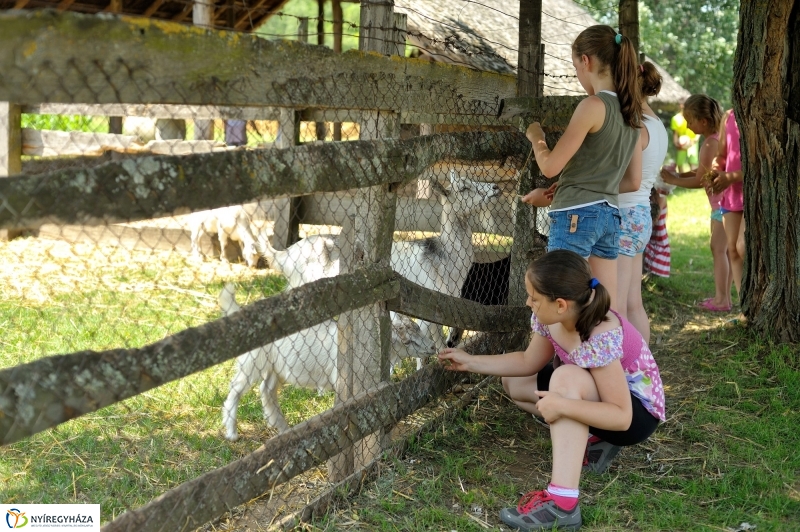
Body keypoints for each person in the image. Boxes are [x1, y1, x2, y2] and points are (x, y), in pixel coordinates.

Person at [438, 250, 665, 531]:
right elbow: (527, 361)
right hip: (605, 404)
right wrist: (469, 361)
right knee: (515, 383)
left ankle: (563, 504)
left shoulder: (599, 335)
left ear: (560, 304)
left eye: (534, 298)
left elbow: (622, 417)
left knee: (565, 379)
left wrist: (562, 405)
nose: (528, 302)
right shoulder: (554, 320)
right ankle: (592, 439)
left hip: (636, 417)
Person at [521, 25, 643, 311]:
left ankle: (553, 356)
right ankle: (607, 355)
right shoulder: (632, 114)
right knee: (604, 307)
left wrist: (536, 136)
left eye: (576, 66)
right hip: (610, 217)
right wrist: (580, 185)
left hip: (575, 215)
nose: (577, 74)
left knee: (556, 301)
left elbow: (550, 166)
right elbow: (633, 181)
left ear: (586, 61)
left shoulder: (592, 105)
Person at [661, 95, 732, 311]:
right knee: (724, 251)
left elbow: (701, 180)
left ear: (703, 120)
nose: (688, 126)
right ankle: (724, 298)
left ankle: (721, 300)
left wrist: (674, 180)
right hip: (726, 203)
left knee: (718, 249)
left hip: (722, 204)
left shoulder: (710, 143)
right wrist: (680, 175)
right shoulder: (717, 137)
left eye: (690, 121)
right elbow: (702, 171)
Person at [617, 62, 669, 342]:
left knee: (619, 305)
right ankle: (643, 369)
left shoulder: (635, 126)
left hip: (625, 214)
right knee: (634, 302)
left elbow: (631, 180)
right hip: (640, 216)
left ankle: (628, 373)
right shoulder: (657, 124)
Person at [671, 100, 699, 173]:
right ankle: (681, 180)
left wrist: (694, 141)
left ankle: (694, 180)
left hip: (693, 142)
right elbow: (675, 133)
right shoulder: (675, 118)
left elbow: (699, 131)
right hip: (682, 143)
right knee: (680, 163)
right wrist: (676, 143)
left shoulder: (694, 116)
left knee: (692, 162)